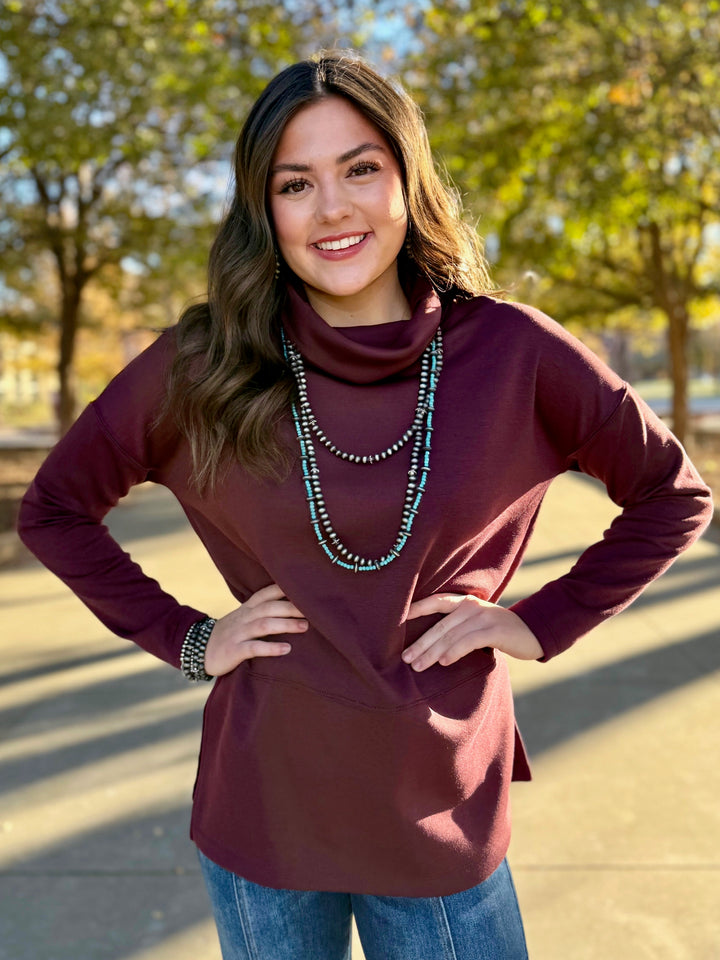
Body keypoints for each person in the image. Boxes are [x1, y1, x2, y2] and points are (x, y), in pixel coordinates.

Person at [18, 50, 713, 960]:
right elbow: (55, 509)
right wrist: (190, 637)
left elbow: (672, 492)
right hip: (264, 803)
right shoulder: (206, 362)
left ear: (407, 179)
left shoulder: (513, 351)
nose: (333, 208)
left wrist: (541, 621)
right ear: (263, 211)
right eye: (295, 183)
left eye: (360, 169)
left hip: (438, 805)